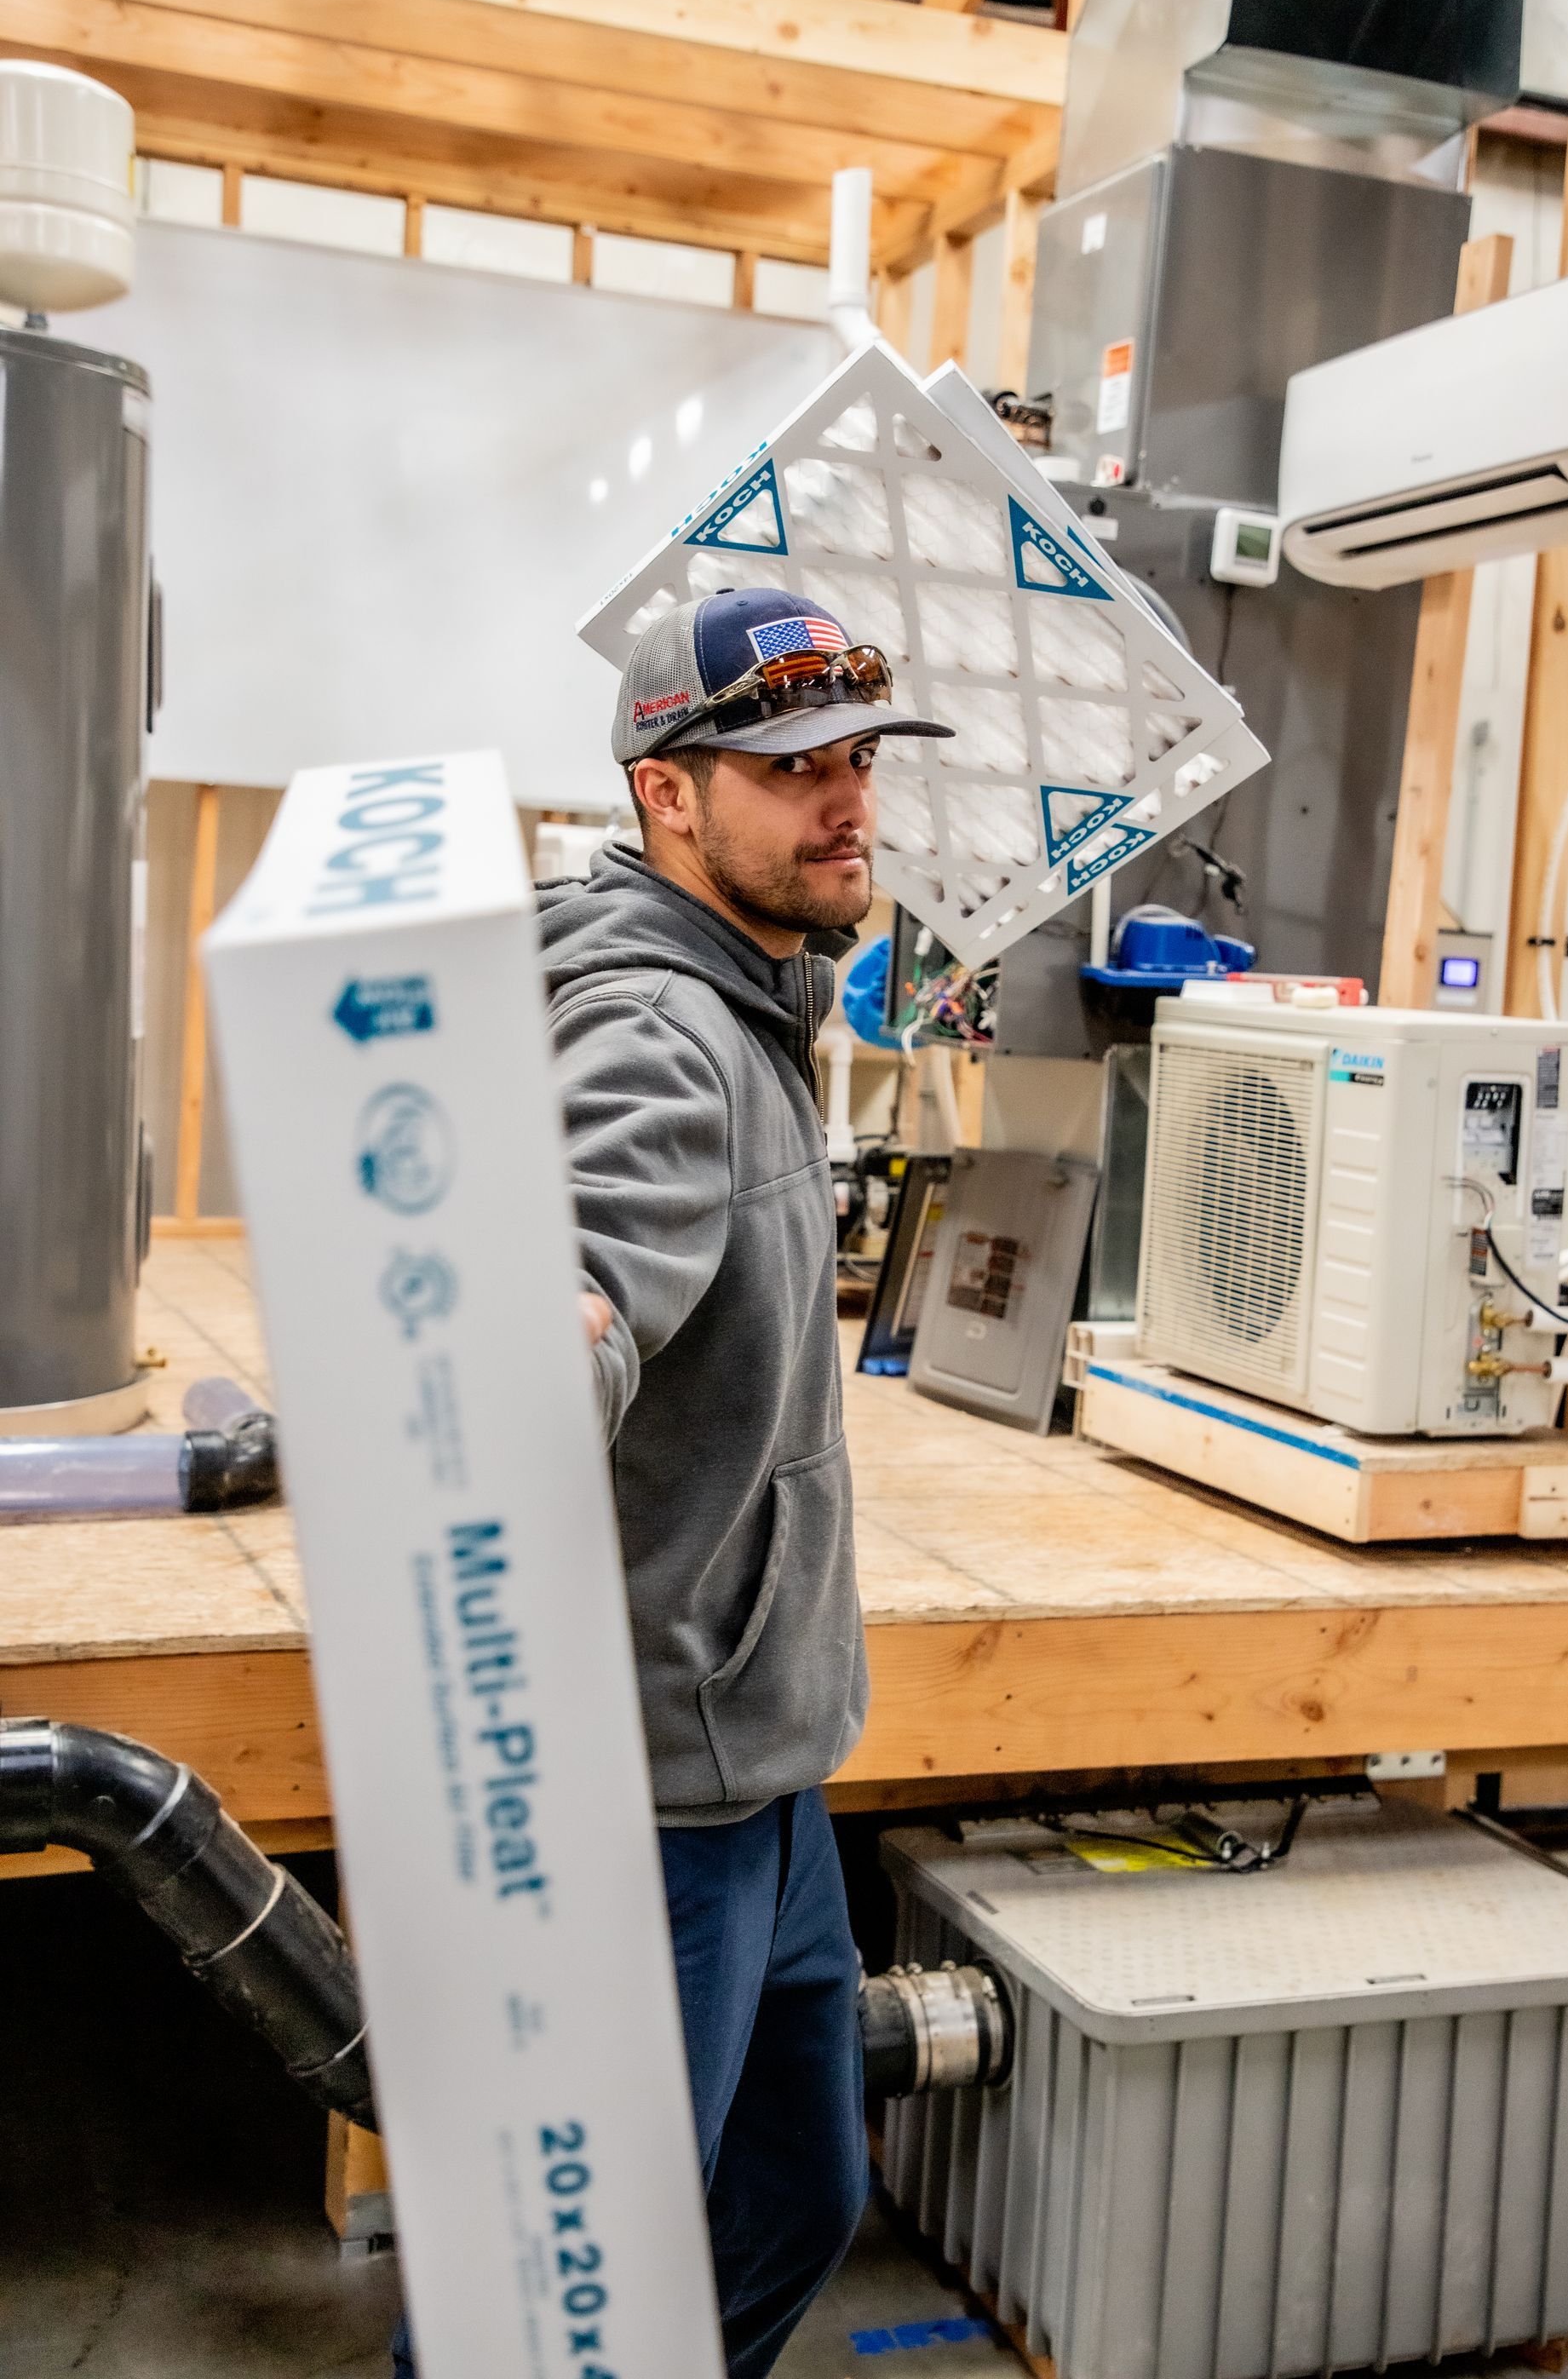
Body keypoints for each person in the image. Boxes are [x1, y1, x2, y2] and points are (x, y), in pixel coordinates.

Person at [392, 589, 951, 2379]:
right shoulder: (660, 1034)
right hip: (645, 1803)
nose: (846, 802)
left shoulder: (750, 997)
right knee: (554, 2306)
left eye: (858, 762)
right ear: (669, 797)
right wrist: (534, 1353)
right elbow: (584, 1268)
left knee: (797, 2193)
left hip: (753, 1781)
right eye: (794, 773)